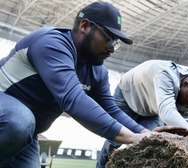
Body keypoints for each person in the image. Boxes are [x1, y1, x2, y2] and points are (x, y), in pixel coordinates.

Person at [0, 2, 156, 167]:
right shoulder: (51, 43)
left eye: (115, 43)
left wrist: (145, 133)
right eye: (108, 38)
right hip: (13, 121)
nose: (111, 48)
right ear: (84, 26)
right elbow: (72, 98)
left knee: (23, 124)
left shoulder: (97, 71)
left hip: (25, 134)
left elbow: (110, 109)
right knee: (20, 121)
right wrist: (130, 137)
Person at [97, 60, 188, 168]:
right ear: (185, 84)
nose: (187, 107)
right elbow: (167, 113)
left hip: (151, 110)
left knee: (148, 145)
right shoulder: (165, 75)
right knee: (114, 141)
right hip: (127, 97)